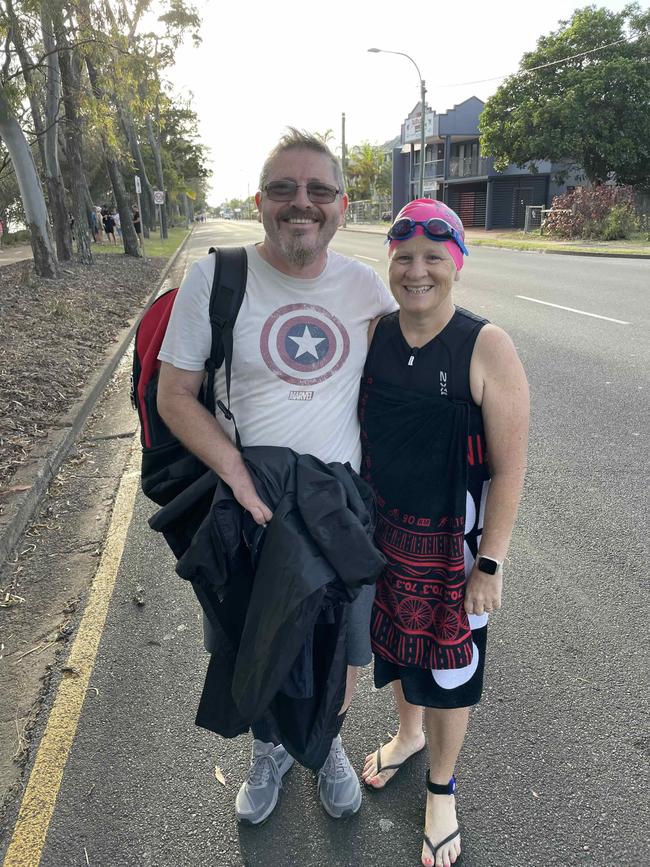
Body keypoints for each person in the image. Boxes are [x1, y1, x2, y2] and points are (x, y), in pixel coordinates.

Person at [156, 129, 396, 825]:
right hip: (245, 504)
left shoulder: (364, 288)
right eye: (285, 189)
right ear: (260, 202)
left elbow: (403, 383)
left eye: (319, 190)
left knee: (341, 644)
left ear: (342, 206)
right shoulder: (217, 277)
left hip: (336, 507)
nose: (303, 203)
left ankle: (325, 744)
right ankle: (272, 750)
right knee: (250, 637)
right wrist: (232, 471)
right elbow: (176, 393)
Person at [358, 199, 529, 867]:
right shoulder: (376, 334)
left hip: (456, 553)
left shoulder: (485, 345)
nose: (417, 270)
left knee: (450, 670)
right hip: (386, 540)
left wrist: (491, 563)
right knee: (400, 651)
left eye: (434, 257)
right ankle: (407, 736)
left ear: (456, 264)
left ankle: (441, 787)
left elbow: (511, 467)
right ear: (391, 263)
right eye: (404, 257)